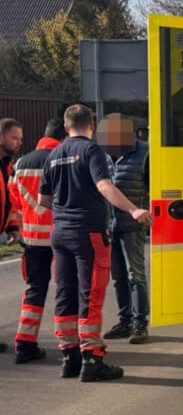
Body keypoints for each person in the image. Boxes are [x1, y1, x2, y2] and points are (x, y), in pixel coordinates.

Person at [39, 104, 153, 381]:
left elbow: (43, 202)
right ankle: (92, 359)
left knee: (65, 295)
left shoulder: (53, 155)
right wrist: (134, 210)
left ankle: (69, 356)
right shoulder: (91, 151)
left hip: (60, 233)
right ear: (91, 123)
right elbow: (104, 186)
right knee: (90, 295)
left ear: (66, 127)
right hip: (87, 233)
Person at [8, 118, 67, 364]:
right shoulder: (64, 159)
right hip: (61, 237)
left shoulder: (21, 162)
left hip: (32, 239)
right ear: (62, 138)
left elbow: (13, 201)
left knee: (34, 291)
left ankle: (24, 344)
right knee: (66, 292)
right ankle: (69, 346)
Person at [97, 113, 151, 344]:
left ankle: (140, 323)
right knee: (118, 277)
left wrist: (143, 212)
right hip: (112, 226)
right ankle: (124, 321)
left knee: (135, 275)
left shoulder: (145, 153)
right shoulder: (105, 156)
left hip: (133, 225)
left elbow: (153, 189)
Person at [1, 117, 24, 354]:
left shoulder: (7, 164)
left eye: (20, 139)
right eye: (14, 138)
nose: (18, 143)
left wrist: (11, 227)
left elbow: (8, 201)